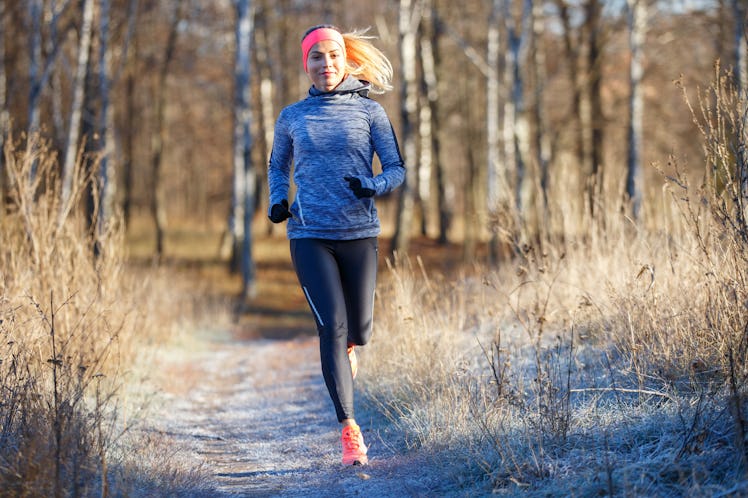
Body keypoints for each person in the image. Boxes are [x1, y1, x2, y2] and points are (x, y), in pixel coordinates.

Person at [267, 24, 405, 466]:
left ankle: (347, 351)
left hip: (358, 233)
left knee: (358, 331)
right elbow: (277, 167)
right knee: (333, 328)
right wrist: (277, 200)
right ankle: (350, 432)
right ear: (304, 64)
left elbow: (397, 168)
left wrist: (373, 185)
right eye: (315, 57)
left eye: (332, 56)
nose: (324, 64)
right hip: (309, 234)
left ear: (344, 60)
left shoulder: (370, 114)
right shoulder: (292, 116)